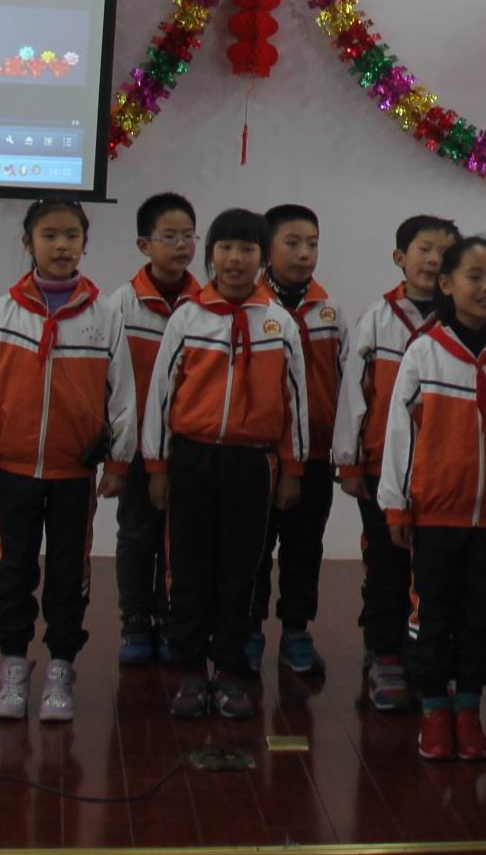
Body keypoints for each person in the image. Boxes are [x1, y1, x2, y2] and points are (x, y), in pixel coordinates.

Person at [0, 199, 133, 723]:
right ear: (28, 243)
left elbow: (122, 396)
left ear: (85, 243)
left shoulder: (105, 316)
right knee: (13, 569)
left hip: (74, 476)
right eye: (49, 236)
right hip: (15, 472)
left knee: (67, 571)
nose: (61, 246)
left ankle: (61, 667)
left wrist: (118, 463)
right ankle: (14, 667)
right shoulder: (3, 313)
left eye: (71, 236)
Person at [380, 235, 486, 762]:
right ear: (447, 285)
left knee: (480, 618)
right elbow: (400, 435)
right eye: (475, 276)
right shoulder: (424, 353)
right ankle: (433, 709)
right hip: (435, 516)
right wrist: (397, 504)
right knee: (433, 615)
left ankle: (468, 709)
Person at [144, 208, 307, 721]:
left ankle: (230, 670)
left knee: (243, 569)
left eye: (247, 249)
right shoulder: (188, 318)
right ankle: (192, 671)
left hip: (252, 464)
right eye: (226, 248)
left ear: (263, 259)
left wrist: (293, 468)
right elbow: (161, 396)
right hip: (192, 459)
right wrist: (157, 466)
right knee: (188, 569)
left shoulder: (278, 323)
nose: (235, 259)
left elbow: (296, 402)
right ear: (210, 254)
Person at [334, 213, 457, 711]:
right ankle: (384, 652)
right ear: (400, 258)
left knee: (435, 571)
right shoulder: (377, 318)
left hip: (444, 472)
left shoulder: (460, 320)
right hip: (382, 469)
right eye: (424, 249)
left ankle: (426, 656)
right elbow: (354, 393)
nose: (433, 260)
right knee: (386, 564)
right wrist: (350, 462)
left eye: (444, 252)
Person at [244, 203, 345, 678]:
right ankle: (248, 631)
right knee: (254, 547)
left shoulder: (330, 311)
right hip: (259, 454)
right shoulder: (250, 308)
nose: (305, 253)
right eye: (292, 243)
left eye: (312, 244)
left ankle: (296, 631)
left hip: (315, 453)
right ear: (267, 249)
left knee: (305, 547)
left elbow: (342, 381)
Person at [116, 193, 197, 666]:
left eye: (188, 236)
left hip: (185, 447)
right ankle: (134, 621)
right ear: (144, 245)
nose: (181, 245)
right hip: (134, 448)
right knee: (136, 534)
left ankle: (170, 620)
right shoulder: (120, 305)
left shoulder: (206, 305)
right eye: (169, 236)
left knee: (179, 539)